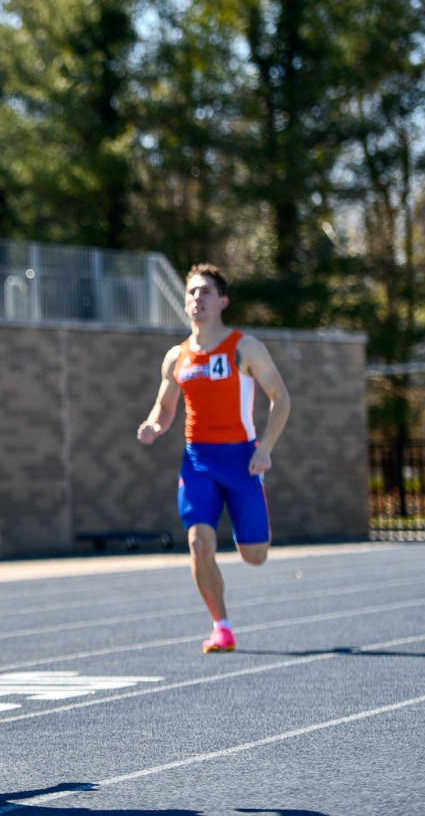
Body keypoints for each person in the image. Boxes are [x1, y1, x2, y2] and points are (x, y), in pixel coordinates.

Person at [135, 263, 292, 654]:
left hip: (242, 459)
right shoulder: (177, 356)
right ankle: (221, 626)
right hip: (197, 460)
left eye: (205, 291)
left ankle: (251, 517)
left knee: (254, 556)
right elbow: (165, 407)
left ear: (222, 301)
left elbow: (281, 398)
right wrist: (154, 425)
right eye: (191, 292)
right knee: (199, 543)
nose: (196, 298)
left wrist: (265, 449)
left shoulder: (244, 347)